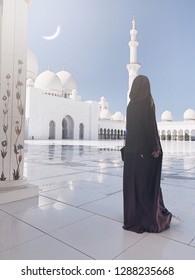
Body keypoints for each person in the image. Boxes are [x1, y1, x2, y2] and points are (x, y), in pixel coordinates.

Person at [123, 75, 172, 233]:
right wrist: (155, 146)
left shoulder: (130, 105)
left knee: (133, 185)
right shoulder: (147, 103)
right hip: (144, 152)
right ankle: (147, 217)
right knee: (146, 184)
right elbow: (151, 126)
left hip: (131, 153)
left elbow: (128, 130)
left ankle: (132, 216)